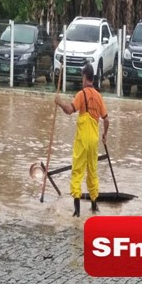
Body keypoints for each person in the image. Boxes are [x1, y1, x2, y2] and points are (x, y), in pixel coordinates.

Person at [54, 63, 109, 217]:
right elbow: (106, 119)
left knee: (77, 171)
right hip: (94, 140)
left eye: (82, 77)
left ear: (85, 77)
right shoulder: (98, 97)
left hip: (82, 139)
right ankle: (94, 206)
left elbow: (69, 110)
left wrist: (59, 103)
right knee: (92, 171)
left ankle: (77, 211)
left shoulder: (81, 94)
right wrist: (105, 135)